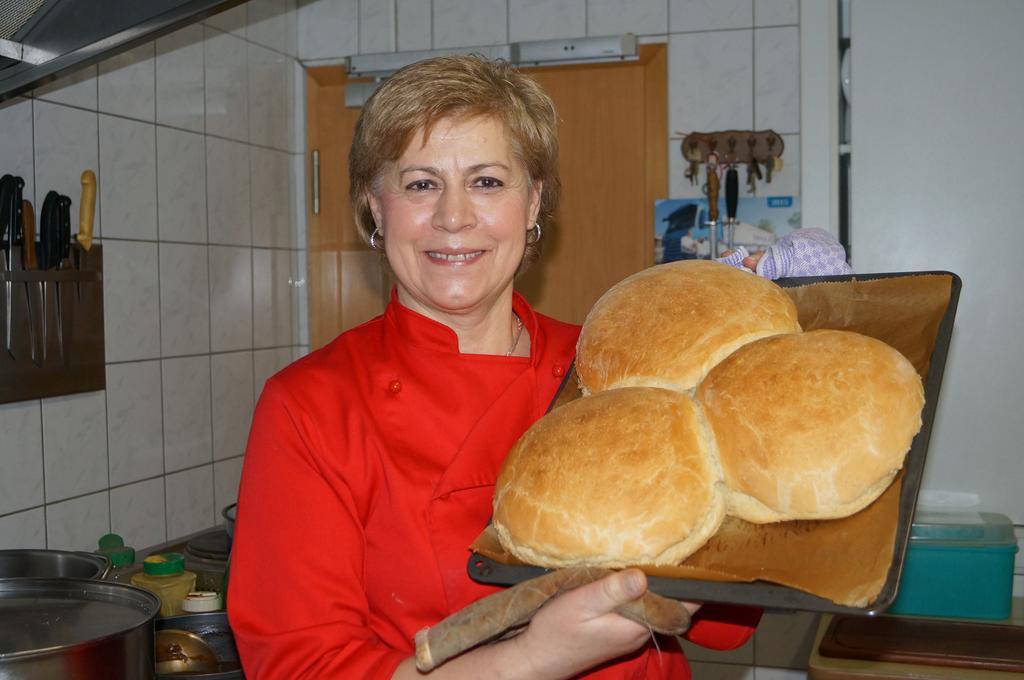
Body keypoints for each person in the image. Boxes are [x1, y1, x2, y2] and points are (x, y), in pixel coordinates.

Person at [227, 54, 760, 679]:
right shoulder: (312, 406)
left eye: (486, 181)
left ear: (532, 203)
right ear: (376, 206)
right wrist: (535, 659)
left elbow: (726, 615)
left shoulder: (613, 369)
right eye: (421, 183)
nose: (454, 217)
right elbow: (303, 667)